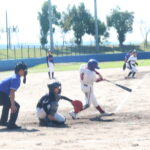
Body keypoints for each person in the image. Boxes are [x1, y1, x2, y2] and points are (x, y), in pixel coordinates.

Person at [0, 62, 28, 129]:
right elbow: (12, 93)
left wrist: (11, 103)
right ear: (20, 70)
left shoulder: (14, 76)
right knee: (16, 106)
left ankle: (3, 121)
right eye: (25, 70)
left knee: (7, 103)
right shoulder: (16, 79)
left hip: (2, 94)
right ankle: (11, 124)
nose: (26, 72)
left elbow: (9, 93)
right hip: (1, 94)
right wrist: (13, 105)